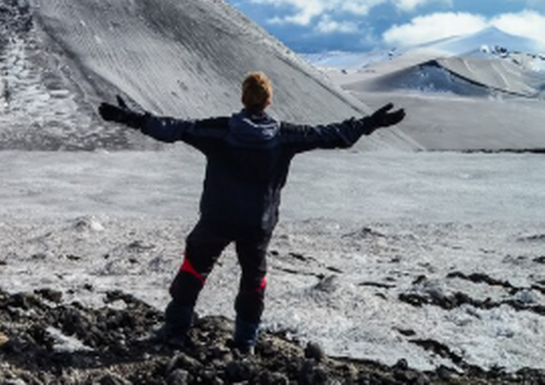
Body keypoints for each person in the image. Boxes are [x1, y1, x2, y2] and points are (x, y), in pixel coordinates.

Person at [97, 71, 405, 354]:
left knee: (194, 267)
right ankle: (245, 342)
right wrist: (368, 124)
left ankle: (176, 330)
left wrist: (132, 118)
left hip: (217, 217)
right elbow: (330, 135)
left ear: (243, 98)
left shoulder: (219, 131)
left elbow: (174, 128)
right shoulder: (284, 136)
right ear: (268, 100)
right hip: (257, 223)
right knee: (253, 280)